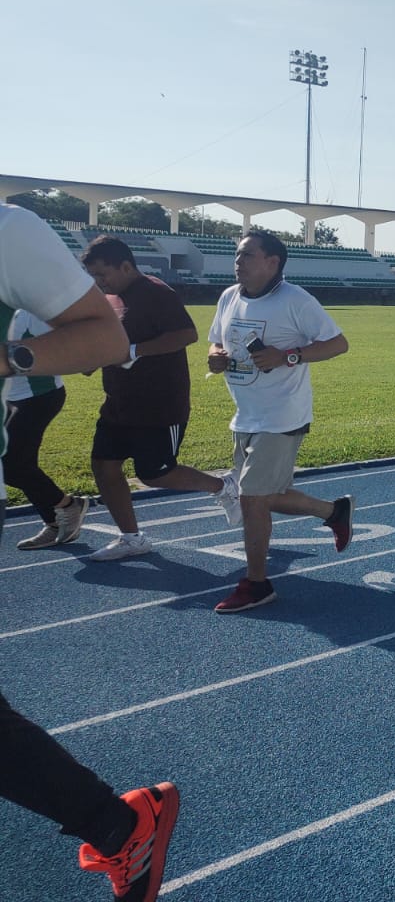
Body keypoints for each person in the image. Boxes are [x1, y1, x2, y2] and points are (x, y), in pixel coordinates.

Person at [0, 202, 180, 902]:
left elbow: (106, 336)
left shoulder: (8, 230)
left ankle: (118, 825)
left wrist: (10, 359)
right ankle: (118, 826)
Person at [205, 231, 353, 613]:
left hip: (283, 413)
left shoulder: (295, 300)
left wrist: (287, 357)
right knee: (264, 497)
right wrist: (216, 355)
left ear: (273, 262)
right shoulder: (229, 297)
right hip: (245, 412)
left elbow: (338, 344)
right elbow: (216, 340)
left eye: (247, 255)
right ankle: (333, 512)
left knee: (253, 498)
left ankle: (256, 584)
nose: (238, 262)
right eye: (237, 255)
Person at [77, 237, 239, 561]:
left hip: (159, 404)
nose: (99, 282)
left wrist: (135, 351)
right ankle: (131, 537)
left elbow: (186, 335)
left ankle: (223, 487)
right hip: (119, 401)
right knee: (104, 465)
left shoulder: (156, 292)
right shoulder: (109, 298)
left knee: (154, 473)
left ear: (126, 266)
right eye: (93, 276)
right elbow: (109, 339)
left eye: (102, 274)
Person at [5, 309, 86, 549]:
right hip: (11, 398)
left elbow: (65, 346)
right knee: (21, 464)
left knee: (12, 465)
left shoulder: (29, 312)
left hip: (38, 396)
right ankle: (54, 522)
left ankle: (68, 506)